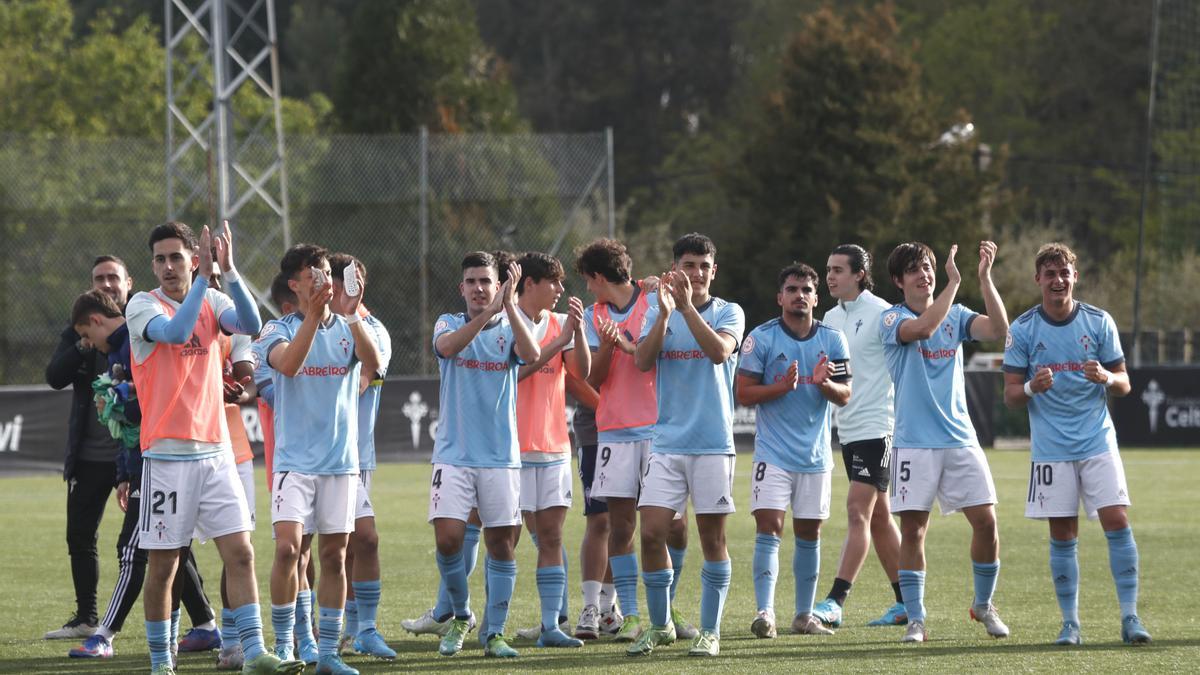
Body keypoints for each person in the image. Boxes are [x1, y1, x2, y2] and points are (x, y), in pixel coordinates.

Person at [125, 220, 300, 674]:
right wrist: (204, 279)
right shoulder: (142, 305)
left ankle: (254, 651)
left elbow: (251, 324)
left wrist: (232, 270)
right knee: (165, 567)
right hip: (166, 458)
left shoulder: (215, 298)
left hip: (217, 454)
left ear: (193, 259)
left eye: (176, 257)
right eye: (160, 258)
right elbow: (177, 334)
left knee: (241, 553)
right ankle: (163, 663)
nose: (167, 266)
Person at [1002, 243, 1151, 646]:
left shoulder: (1099, 322)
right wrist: (1032, 385)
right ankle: (1070, 623)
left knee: (1117, 521)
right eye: (1049, 274)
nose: (1057, 280)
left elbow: (1125, 384)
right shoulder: (1023, 329)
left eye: (1064, 272)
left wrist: (1105, 375)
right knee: (1063, 533)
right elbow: (1011, 394)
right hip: (1051, 448)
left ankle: (1130, 617)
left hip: (1097, 441)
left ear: (1074, 277)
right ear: (1038, 280)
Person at [255, 244, 382, 675]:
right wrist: (315, 316)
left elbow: (374, 364)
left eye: (327, 271)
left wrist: (349, 314)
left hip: (340, 465)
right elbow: (287, 366)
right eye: (313, 274)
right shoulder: (277, 329)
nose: (324, 279)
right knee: (290, 550)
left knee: (333, 556)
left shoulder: (350, 327)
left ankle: (328, 654)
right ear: (295, 284)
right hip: (294, 464)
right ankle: (286, 646)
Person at [880, 241, 1010, 644]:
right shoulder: (891, 319)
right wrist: (954, 283)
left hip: (959, 439)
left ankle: (984, 605)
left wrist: (984, 279)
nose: (925, 275)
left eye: (928, 267)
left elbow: (999, 331)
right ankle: (916, 618)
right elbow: (923, 329)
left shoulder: (956, 314)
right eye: (915, 269)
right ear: (899, 281)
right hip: (914, 443)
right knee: (915, 531)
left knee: (987, 522)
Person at [630, 233, 745, 657]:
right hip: (667, 443)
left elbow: (718, 351)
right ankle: (660, 626)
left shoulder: (730, 310)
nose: (696, 273)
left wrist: (686, 308)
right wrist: (662, 316)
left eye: (703, 266)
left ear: (714, 271)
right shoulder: (659, 309)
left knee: (712, 539)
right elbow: (642, 361)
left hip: (713, 445)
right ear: (676, 268)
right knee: (652, 533)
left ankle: (710, 631)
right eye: (689, 265)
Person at [575, 238, 695, 643]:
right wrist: (608, 347)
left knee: (673, 526)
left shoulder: (654, 297)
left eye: (588, 281)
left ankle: (669, 605)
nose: (589, 289)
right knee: (622, 525)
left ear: (597, 275)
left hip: (662, 431)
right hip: (616, 432)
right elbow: (593, 378)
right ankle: (630, 615)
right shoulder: (595, 315)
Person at [427, 252, 539, 658]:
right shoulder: (449, 322)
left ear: (498, 285)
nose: (478, 288)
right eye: (471, 281)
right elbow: (447, 347)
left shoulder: (512, 327)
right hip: (453, 456)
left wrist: (508, 308)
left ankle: (494, 633)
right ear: (462, 288)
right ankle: (460, 614)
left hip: (500, 458)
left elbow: (532, 355)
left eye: (485, 282)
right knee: (448, 539)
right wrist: (488, 312)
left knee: (501, 545)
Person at [736, 263, 851, 639]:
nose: (799, 295)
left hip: (815, 457)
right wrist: (781, 388)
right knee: (769, 527)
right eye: (792, 289)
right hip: (773, 454)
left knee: (809, 533)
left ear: (817, 298)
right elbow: (742, 393)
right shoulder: (762, 338)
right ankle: (765, 612)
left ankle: (803, 615)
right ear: (780, 297)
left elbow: (846, 394)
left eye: (806, 289)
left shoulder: (834, 340)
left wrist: (824, 385)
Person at [811, 244, 907, 628]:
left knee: (857, 512)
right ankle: (907, 602)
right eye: (828, 269)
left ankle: (836, 600)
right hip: (848, 430)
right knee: (880, 518)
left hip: (877, 428)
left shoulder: (884, 314)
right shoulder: (830, 317)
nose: (830, 276)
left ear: (859, 275)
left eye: (838, 270)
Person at [44, 256, 134, 640]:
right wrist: (82, 346)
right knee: (80, 537)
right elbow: (54, 377)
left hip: (135, 454)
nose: (107, 283)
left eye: (113, 277)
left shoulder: (143, 323)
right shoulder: (79, 330)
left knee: (154, 541)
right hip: (89, 457)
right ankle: (86, 617)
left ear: (128, 282)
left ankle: (202, 621)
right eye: (99, 278)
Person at [509, 251, 589, 648]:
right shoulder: (506, 322)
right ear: (529, 284)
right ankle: (489, 625)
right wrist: (559, 340)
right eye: (552, 282)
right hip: (513, 451)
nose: (560, 289)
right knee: (508, 540)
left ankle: (551, 626)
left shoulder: (560, 322)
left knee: (552, 537)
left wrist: (578, 333)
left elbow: (582, 372)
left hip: (555, 447)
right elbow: (515, 373)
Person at [326, 254, 398, 660]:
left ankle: (358, 629)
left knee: (359, 542)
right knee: (321, 548)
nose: (332, 295)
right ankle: (321, 628)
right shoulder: (315, 328)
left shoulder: (374, 332)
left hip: (354, 457)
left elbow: (363, 381)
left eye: (338, 288)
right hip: (312, 457)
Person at [566, 373, 624, 639]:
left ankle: (607, 606)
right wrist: (611, 410)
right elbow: (577, 378)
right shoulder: (587, 328)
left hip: (634, 428)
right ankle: (590, 606)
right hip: (594, 428)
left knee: (621, 522)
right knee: (599, 519)